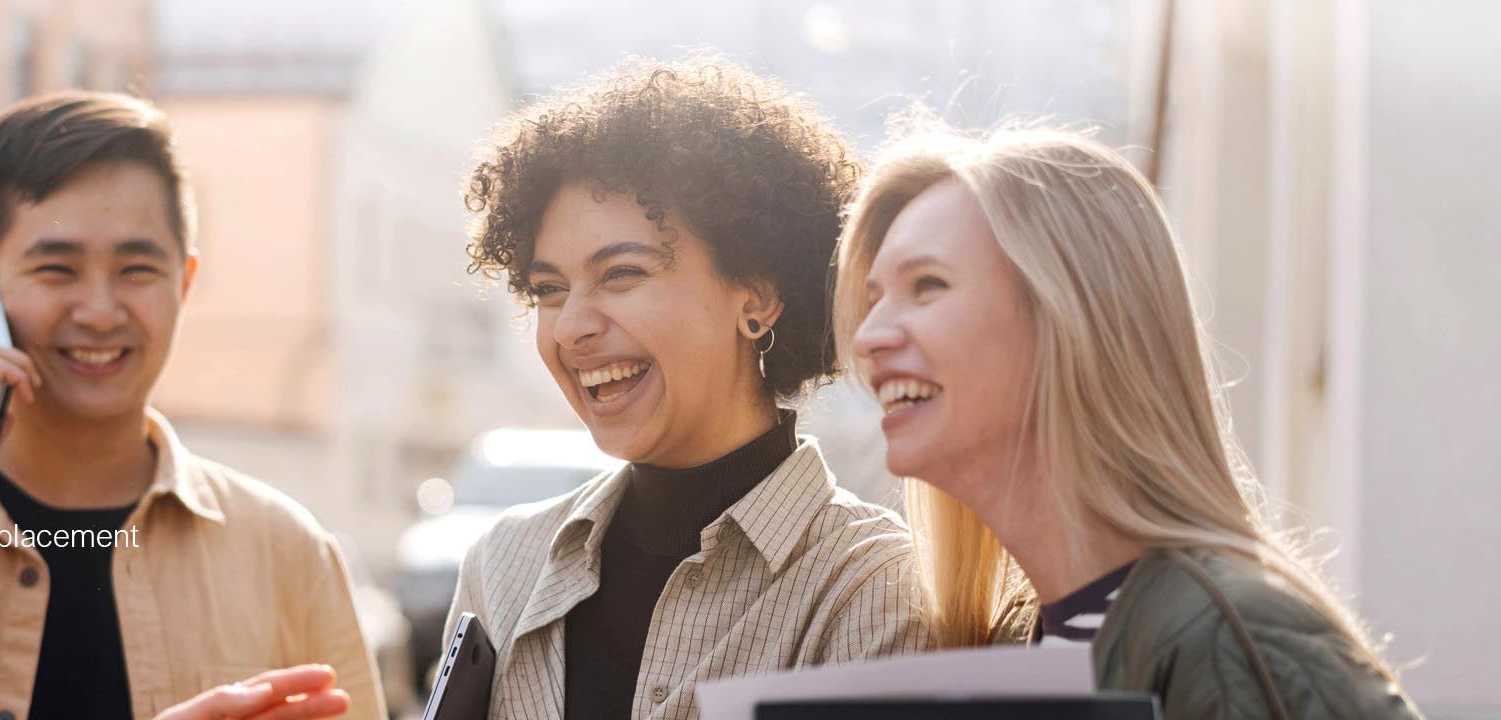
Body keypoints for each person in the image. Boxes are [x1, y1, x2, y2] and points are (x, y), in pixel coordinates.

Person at [0, 92, 382, 719]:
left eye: (137, 270)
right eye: (57, 269)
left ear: (184, 283)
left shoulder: (288, 553)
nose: (102, 312)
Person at [832, 117, 1421, 718]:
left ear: (1070, 319)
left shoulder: (1232, 640)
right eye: (875, 298)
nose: (867, 337)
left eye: (927, 285)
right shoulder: (1019, 643)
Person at [447, 56, 928, 719]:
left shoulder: (873, 588)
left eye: (620, 274)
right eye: (549, 289)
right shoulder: (501, 566)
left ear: (756, 298)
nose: (574, 327)